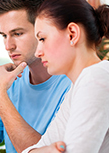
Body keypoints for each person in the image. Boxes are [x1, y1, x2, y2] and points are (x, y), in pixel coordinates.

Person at [0, 0, 71, 152]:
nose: (8, 46)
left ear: (42, 31)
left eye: (17, 34)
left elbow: (43, 150)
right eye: (4, 35)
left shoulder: (73, 83)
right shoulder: (11, 82)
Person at [21, 0, 109, 152]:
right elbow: (38, 147)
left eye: (42, 39)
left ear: (72, 34)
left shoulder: (95, 79)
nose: (38, 52)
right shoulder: (78, 86)